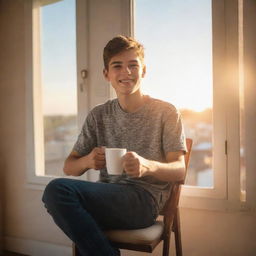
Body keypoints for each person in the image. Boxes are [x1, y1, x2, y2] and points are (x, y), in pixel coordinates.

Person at [42, 35, 187, 256]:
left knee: (61, 197)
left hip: (144, 201)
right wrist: (88, 161)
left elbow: (179, 169)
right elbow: (69, 167)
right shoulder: (98, 115)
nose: (126, 72)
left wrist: (147, 166)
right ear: (106, 74)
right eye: (117, 66)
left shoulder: (166, 112)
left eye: (133, 65)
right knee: (58, 196)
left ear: (144, 71)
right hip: (107, 196)